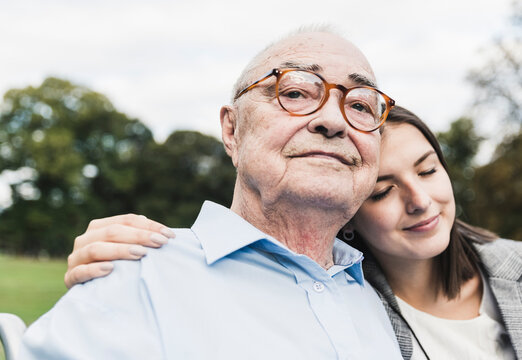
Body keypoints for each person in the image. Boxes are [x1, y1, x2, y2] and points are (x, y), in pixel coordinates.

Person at [19, 28, 403, 359]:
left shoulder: (384, 304)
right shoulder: (136, 280)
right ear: (232, 131)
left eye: (360, 105)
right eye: (297, 91)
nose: (334, 120)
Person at [65, 106, 522, 360]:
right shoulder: (346, 309)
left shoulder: (513, 269)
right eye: (382, 192)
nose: (420, 200)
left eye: (428, 170)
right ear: (348, 214)